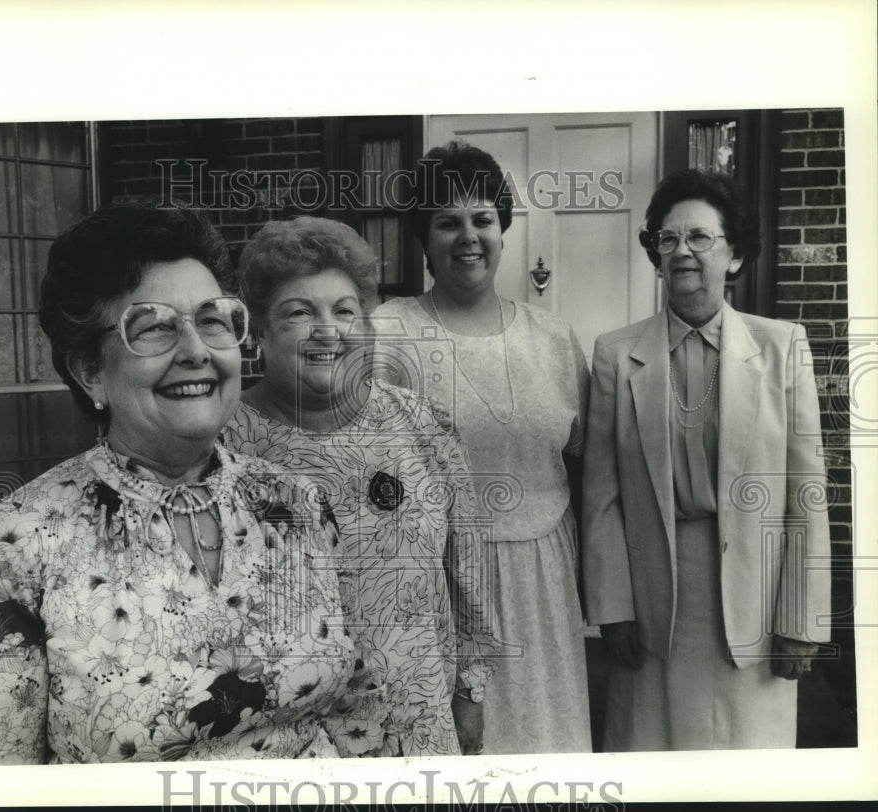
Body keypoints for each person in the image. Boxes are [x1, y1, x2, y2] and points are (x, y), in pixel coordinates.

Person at [0, 203, 386, 765]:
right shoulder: (20, 545)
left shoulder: (297, 505)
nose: (195, 351)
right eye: (155, 327)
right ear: (91, 371)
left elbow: (357, 709)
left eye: (212, 319)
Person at [221, 216, 499, 757]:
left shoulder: (425, 427)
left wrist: (471, 691)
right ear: (258, 332)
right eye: (301, 312)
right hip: (286, 740)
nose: (329, 330)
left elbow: (468, 570)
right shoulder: (226, 444)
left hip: (422, 720)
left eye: (345, 311)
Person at [582, 169, 831, 750]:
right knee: (654, 756)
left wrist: (800, 616)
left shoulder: (782, 346)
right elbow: (601, 496)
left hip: (756, 596)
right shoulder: (616, 356)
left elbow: (805, 492)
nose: (681, 252)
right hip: (652, 601)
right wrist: (613, 607)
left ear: (735, 256)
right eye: (667, 240)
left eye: (699, 238)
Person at [371, 141, 592, 754]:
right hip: (434, 584)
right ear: (424, 235)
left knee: (546, 748)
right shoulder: (389, 331)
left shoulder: (552, 337)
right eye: (447, 222)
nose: (468, 237)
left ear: (502, 228)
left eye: (482, 219)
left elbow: (588, 460)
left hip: (543, 577)